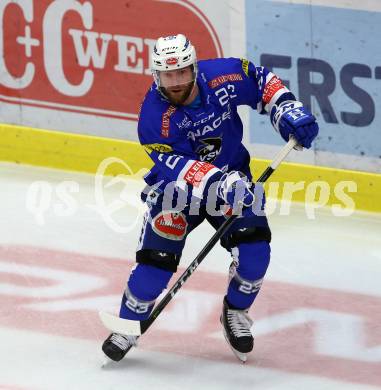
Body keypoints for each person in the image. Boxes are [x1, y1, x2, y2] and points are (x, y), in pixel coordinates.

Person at [102, 34, 319, 362]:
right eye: (167, 75)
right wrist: (221, 182)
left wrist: (288, 110)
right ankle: (127, 324)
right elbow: (179, 167)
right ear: (155, 75)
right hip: (176, 192)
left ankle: (235, 311)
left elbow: (262, 82)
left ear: (194, 67)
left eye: (182, 73)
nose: (175, 83)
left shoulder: (223, 75)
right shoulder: (153, 118)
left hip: (235, 182)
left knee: (255, 254)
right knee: (154, 269)